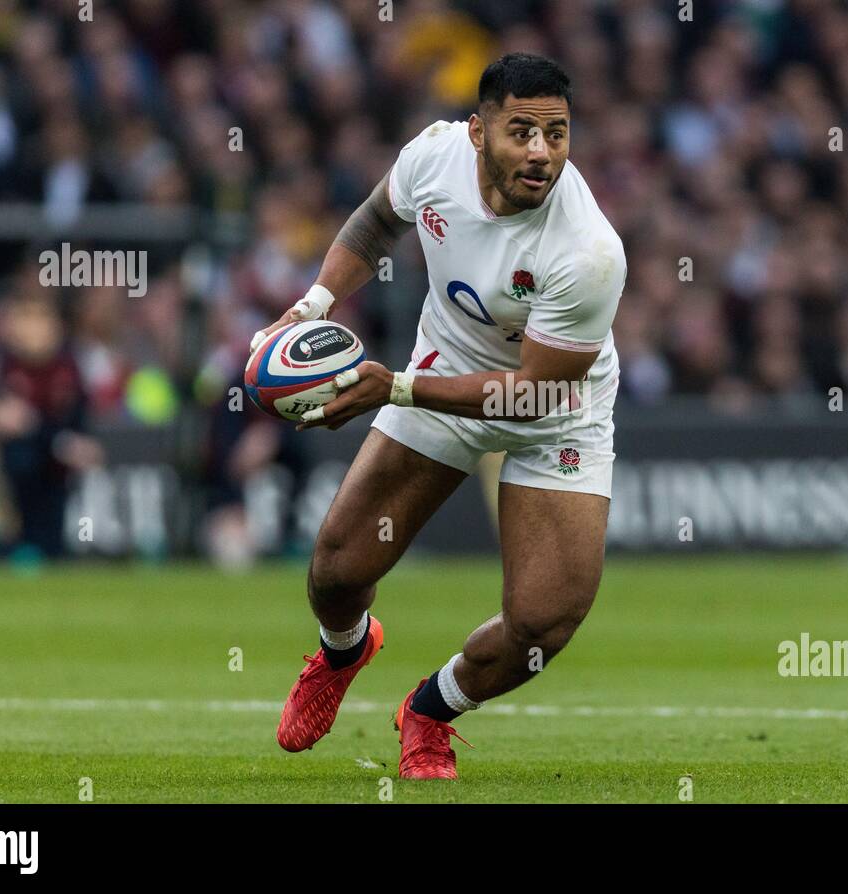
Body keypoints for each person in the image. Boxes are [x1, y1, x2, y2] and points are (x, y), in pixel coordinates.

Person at [252, 53, 626, 779]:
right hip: (444, 375)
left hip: (556, 412)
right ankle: (344, 650)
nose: (542, 153)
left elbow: (530, 394)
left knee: (543, 624)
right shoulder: (433, 157)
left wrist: (393, 389)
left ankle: (430, 710)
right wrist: (313, 306)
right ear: (478, 131)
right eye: (522, 131)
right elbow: (371, 225)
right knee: (336, 569)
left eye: (558, 133)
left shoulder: (589, 253)